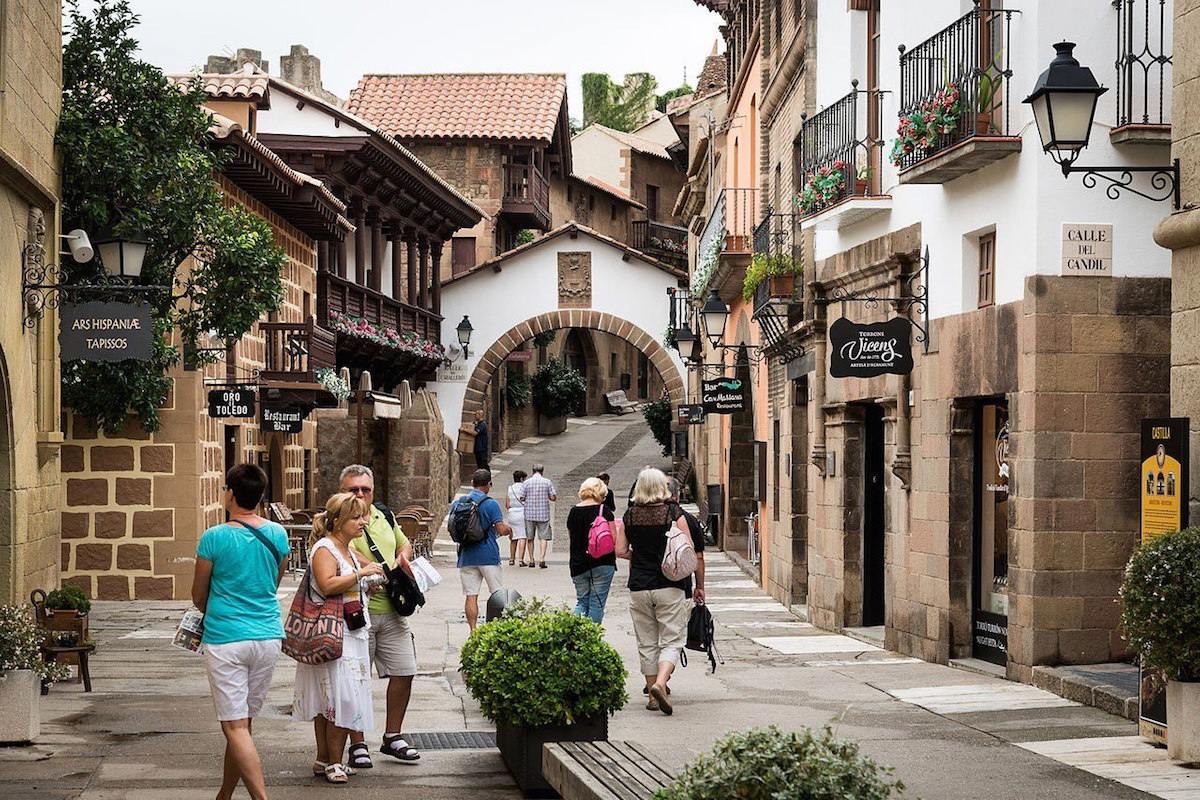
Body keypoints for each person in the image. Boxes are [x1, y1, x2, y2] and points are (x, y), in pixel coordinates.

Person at [192, 464, 289, 800]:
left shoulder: (214, 537)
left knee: (234, 727)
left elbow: (198, 593)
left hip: (226, 638)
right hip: (267, 636)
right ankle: (225, 794)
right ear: (261, 496)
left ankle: (261, 798)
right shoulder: (278, 534)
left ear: (230, 494)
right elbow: (274, 581)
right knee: (243, 725)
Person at [293, 492, 385, 785]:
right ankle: (334, 761)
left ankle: (324, 759)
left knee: (334, 699)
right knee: (339, 699)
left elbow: (344, 587)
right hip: (335, 632)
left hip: (352, 630)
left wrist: (366, 588)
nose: (363, 522)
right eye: (356, 517)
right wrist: (362, 574)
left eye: (363, 516)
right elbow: (327, 583)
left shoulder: (346, 548)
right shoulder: (326, 548)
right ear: (338, 521)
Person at [340, 465, 421, 768]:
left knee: (405, 670)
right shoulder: (336, 518)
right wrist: (369, 568)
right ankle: (357, 743)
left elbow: (403, 542)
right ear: (343, 491)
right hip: (357, 613)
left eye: (365, 489)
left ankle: (392, 736)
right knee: (355, 679)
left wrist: (403, 557)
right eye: (353, 489)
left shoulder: (383, 515)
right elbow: (340, 549)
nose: (360, 494)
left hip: (393, 608)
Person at [615, 467, 706, 717]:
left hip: (639, 587)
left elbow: (620, 550)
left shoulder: (630, 515)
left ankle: (651, 692)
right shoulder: (674, 513)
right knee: (672, 640)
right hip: (670, 586)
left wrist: (641, 556)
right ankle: (661, 683)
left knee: (646, 642)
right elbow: (688, 552)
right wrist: (698, 585)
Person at [455, 469, 511, 632]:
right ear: (489, 485)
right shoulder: (490, 503)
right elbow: (500, 529)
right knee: (498, 594)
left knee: (471, 596)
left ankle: (473, 630)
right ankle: (497, 630)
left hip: (466, 555)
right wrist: (508, 530)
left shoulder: (460, 502)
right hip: (488, 554)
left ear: (472, 483)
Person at [567, 477, 619, 624]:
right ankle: (592, 639)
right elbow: (613, 539)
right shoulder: (605, 511)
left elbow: (572, 538)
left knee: (582, 602)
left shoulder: (573, 512)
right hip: (603, 562)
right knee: (597, 603)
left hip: (578, 563)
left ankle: (577, 636)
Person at [517, 463, 557, 568]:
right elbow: (553, 497)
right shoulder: (547, 482)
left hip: (529, 514)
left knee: (530, 538)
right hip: (543, 513)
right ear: (542, 471)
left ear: (533, 471)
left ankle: (531, 560)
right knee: (543, 537)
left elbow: (521, 497)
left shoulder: (526, 483)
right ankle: (542, 558)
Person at [506, 470, 530, 566]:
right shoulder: (524, 488)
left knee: (513, 537)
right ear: (521, 478)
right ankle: (520, 560)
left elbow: (507, 504)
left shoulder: (510, 488)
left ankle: (511, 559)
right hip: (522, 513)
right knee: (522, 537)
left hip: (512, 514)